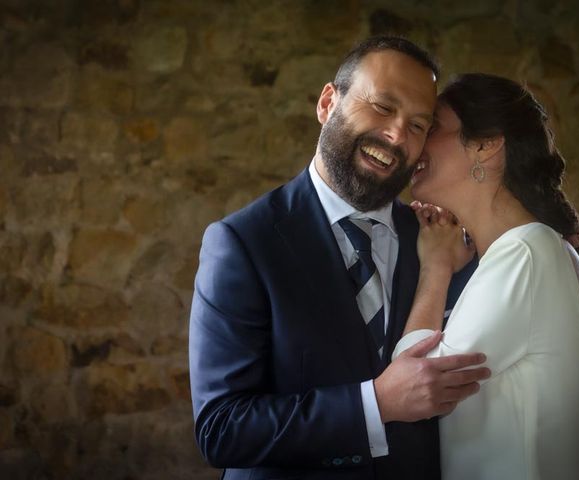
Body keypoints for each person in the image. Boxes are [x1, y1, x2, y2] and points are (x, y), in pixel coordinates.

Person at [188, 37, 490, 480]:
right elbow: (221, 428)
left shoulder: (442, 240)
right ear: (329, 102)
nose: (395, 136)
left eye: (418, 125)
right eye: (383, 107)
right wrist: (377, 404)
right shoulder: (241, 243)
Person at [393, 73, 579, 479]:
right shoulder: (526, 251)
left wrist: (436, 269)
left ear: (486, 145)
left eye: (432, 129)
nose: (413, 143)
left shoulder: (525, 253)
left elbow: (416, 383)